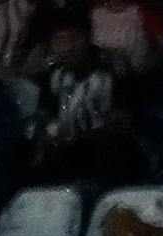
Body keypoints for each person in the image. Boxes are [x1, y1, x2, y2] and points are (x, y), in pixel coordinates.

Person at [24, 21, 144, 189]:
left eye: (70, 39)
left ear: (84, 40)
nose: (65, 46)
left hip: (105, 142)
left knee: (110, 146)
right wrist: (46, 136)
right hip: (67, 145)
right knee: (20, 150)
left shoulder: (113, 66)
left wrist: (78, 135)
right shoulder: (53, 73)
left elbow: (123, 117)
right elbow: (45, 113)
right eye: (58, 40)